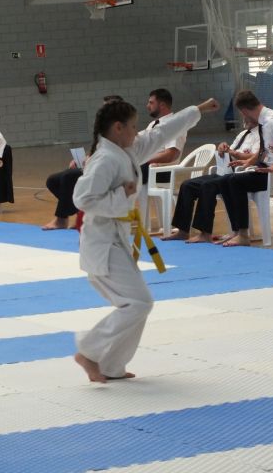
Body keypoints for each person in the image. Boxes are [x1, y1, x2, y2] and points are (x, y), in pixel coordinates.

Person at [72, 97, 220, 383]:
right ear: (118, 128)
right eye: (133, 127)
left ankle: (111, 365)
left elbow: (160, 134)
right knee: (138, 303)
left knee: (136, 304)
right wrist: (123, 194)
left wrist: (197, 110)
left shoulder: (125, 150)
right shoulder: (105, 159)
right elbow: (83, 199)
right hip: (102, 245)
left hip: (116, 242)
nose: (137, 132)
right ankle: (90, 351)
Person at [219, 90, 273, 247]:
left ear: (244, 111)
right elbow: (265, 151)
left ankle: (244, 235)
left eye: (242, 114)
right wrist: (249, 163)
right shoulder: (263, 123)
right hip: (268, 172)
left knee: (235, 182)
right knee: (225, 180)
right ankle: (237, 231)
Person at [162, 118, 261, 243]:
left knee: (207, 185)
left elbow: (256, 156)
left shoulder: (260, 135)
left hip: (241, 174)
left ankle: (205, 233)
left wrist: (234, 153)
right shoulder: (242, 134)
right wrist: (222, 149)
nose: (244, 119)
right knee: (187, 185)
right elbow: (229, 152)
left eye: (246, 115)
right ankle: (182, 230)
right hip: (226, 171)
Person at [42, 95, 123, 230]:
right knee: (53, 180)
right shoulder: (104, 129)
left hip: (108, 170)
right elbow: (97, 150)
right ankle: (82, 211)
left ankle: (61, 219)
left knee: (69, 177)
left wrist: (94, 161)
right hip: (94, 166)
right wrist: (84, 159)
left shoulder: (121, 129)